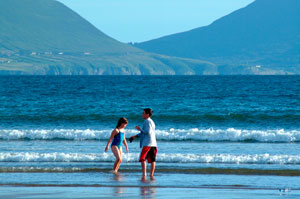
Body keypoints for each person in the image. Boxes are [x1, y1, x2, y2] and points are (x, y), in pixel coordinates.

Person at [130, 108, 157, 177]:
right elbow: (146, 132)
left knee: (142, 158)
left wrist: (140, 129)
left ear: (147, 114)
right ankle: (151, 175)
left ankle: (144, 174)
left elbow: (147, 132)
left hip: (147, 143)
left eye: (143, 113)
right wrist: (135, 136)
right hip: (153, 143)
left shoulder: (147, 121)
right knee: (152, 159)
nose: (142, 115)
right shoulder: (151, 121)